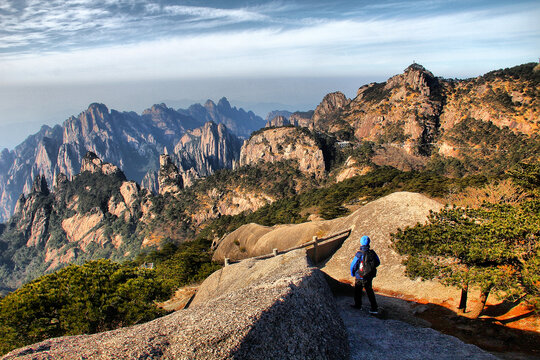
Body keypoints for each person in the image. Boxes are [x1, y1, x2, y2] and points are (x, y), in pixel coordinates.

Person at [350, 235, 380, 314]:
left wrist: (353, 273)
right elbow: (378, 262)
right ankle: (374, 308)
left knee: (357, 291)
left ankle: (358, 305)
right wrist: (370, 268)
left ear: (361, 243)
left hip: (359, 275)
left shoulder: (359, 254)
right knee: (369, 291)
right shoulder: (372, 253)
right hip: (368, 276)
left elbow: (353, 265)